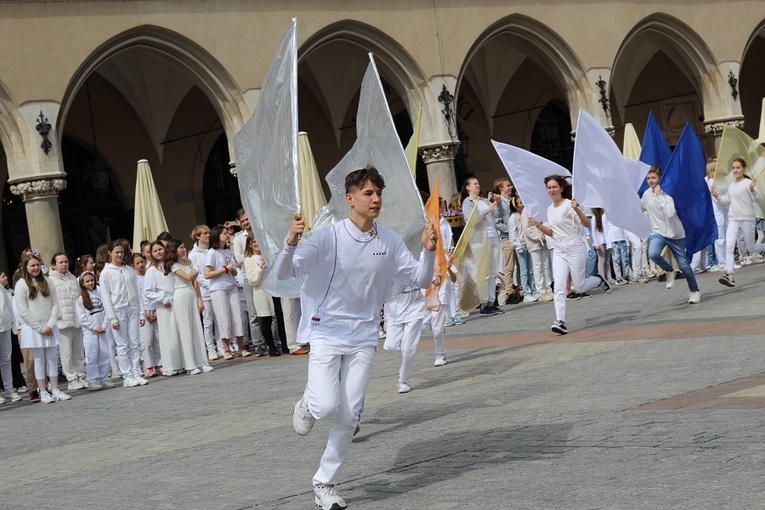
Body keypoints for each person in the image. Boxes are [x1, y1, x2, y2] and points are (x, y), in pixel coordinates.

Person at [274, 167, 437, 510]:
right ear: (350, 199)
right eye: (368, 193)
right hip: (326, 332)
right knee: (325, 406)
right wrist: (290, 242)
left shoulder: (389, 240)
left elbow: (422, 280)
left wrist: (429, 251)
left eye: (378, 192)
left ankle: (325, 483)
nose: (376, 199)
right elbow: (285, 273)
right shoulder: (327, 237)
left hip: (364, 336)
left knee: (349, 417)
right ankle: (307, 403)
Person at [528, 175, 611, 335]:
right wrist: (538, 225)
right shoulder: (549, 209)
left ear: (561, 188)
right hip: (559, 248)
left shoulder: (569, 205)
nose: (551, 190)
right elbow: (551, 232)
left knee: (579, 287)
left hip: (574, 246)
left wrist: (577, 209)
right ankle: (560, 321)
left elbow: (587, 224)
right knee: (559, 286)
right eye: (549, 188)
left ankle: (599, 279)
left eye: (554, 187)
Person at [14, 255, 71, 404]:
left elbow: (55, 304)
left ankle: (56, 389)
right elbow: (23, 311)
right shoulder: (21, 285)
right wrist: (40, 328)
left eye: (37, 265)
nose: (35, 268)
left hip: (49, 325)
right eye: (32, 266)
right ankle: (43, 391)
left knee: (52, 358)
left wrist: (50, 324)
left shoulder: (47, 281)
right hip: (34, 328)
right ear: (26, 267)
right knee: (39, 360)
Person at [640, 166, 701, 303]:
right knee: (653, 253)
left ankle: (694, 291)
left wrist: (661, 196)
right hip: (658, 232)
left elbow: (670, 213)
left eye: (653, 178)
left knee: (684, 265)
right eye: (648, 178)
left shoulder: (668, 194)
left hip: (675, 234)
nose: (650, 181)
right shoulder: (646, 194)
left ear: (660, 178)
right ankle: (669, 270)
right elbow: (641, 207)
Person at [100, 241, 149, 387]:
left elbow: (137, 292)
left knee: (134, 342)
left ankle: (135, 371)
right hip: (118, 309)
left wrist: (142, 313)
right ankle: (127, 374)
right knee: (122, 344)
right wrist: (112, 318)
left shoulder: (129, 270)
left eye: (122, 252)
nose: (120, 255)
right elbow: (106, 297)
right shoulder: (106, 272)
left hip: (132, 307)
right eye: (117, 252)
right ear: (110, 253)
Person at [711, 158, 765, 287]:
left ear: (743, 169)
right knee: (729, 246)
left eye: (738, 167)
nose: (735, 170)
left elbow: (758, 199)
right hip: (733, 219)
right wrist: (716, 195)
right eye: (733, 168)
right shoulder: (731, 186)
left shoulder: (748, 183)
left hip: (747, 219)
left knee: (750, 248)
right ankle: (730, 275)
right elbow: (726, 202)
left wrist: (753, 190)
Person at [167, 239, 214, 375]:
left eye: (183, 247)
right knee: (186, 329)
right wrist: (195, 272)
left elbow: (195, 282)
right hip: (180, 295)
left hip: (191, 294)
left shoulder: (188, 262)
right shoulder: (173, 265)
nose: (183, 249)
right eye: (180, 248)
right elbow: (188, 277)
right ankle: (190, 364)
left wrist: (200, 299)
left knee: (196, 328)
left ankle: (201, 361)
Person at [204, 225, 250, 359]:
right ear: (217, 236)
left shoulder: (228, 252)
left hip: (231, 286)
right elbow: (207, 274)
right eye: (224, 233)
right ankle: (226, 348)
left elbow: (235, 270)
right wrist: (225, 269)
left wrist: (232, 270)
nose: (227, 235)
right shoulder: (212, 252)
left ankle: (241, 346)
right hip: (218, 288)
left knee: (237, 316)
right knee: (223, 317)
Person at [460, 177, 503, 316]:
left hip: (492, 236)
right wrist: (487, 210)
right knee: (483, 271)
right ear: (468, 187)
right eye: (475, 184)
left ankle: (492, 301)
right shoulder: (468, 202)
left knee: (493, 271)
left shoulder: (484, 201)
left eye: (479, 183)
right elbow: (470, 220)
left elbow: (498, 215)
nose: (478, 185)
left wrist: (498, 203)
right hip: (479, 239)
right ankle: (483, 304)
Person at [49, 252, 87, 390]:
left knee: (78, 351)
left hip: (76, 320)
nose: (64, 264)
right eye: (61, 262)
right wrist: (58, 315)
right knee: (66, 352)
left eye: (65, 261)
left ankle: (81, 375)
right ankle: (71, 378)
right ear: (54, 265)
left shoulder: (72, 278)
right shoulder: (51, 280)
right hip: (63, 322)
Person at [145, 241, 182, 376]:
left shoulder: (171, 266)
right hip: (164, 306)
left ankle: (181, 363)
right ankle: (169, 365)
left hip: (177, 302)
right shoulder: (151, 271)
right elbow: (148, 292)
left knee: (178, 334)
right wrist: (162, 298)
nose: (158, 252)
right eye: (155, 251)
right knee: (167, 336)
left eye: (160, 249)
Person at [76, 271, 115, 391]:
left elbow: (107, 311)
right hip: (90, 332)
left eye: (92, 280)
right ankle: (92, 380)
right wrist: (93, 327)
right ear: (82, 283)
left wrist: (104, 325)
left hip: (102, 330)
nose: (90, 283)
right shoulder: (80, 299)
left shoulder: (100, 294)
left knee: (104, 354)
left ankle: (104, 378)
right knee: (91, 356)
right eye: (87, 281)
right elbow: (82, 317)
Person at [243, 236, 281, 357]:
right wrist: (260, 267)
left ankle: (280, 343)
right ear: (249, 245)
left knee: (277, 318)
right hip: (261, 292)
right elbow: (252, 280)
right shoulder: (249, 260)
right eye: (253, 242)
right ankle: (271, 346)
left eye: (258, 241)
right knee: (266, 320)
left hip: (273, 291)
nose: (256, 244)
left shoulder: (268, 256)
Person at [189, 225, 220, 360]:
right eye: (204, 233)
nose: (207, 235)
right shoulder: (193, 255)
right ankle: (210, 348)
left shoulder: (212, 251)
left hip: (217, 289)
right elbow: (198, 275)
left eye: (208, 233)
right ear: (197, 236)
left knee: (220, 320)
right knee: (208, 322)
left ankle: (221, 346)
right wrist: (210, 285)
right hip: (205, 292)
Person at [492, 178, 520, 305]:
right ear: (500, 188)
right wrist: (511, 231)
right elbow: (497, 222)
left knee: (520, 265)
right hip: (507, 238)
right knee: (509, 267)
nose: (511, 187)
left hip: (518, 237)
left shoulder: (512, 201)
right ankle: (509, 292)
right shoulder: (499, 203)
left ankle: (520, 288)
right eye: (508, 185)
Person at [133, 253, 161, 377]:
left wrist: (156, 310)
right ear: (133, 265)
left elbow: (157, 291)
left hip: (155, 309)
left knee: (157, 338)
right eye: (137, 263)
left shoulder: (150, 275)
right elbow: (137, 298)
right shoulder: (135, 279)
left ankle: (159, 363)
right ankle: (148, 365)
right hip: (144, 312)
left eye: (142, 262)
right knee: (147, 340)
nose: (140, 265)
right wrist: (144, 314)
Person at [508, 195, 537, 302]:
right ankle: (526, 292)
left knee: (531, 270)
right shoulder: (513, 217)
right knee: (524, 270)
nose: (522, 204)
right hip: (521, 246)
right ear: (515, 205)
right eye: (520, 203)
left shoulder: (524, 215)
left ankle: (534, 290)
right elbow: (513, 234)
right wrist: (518, 245)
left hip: (528, 244)